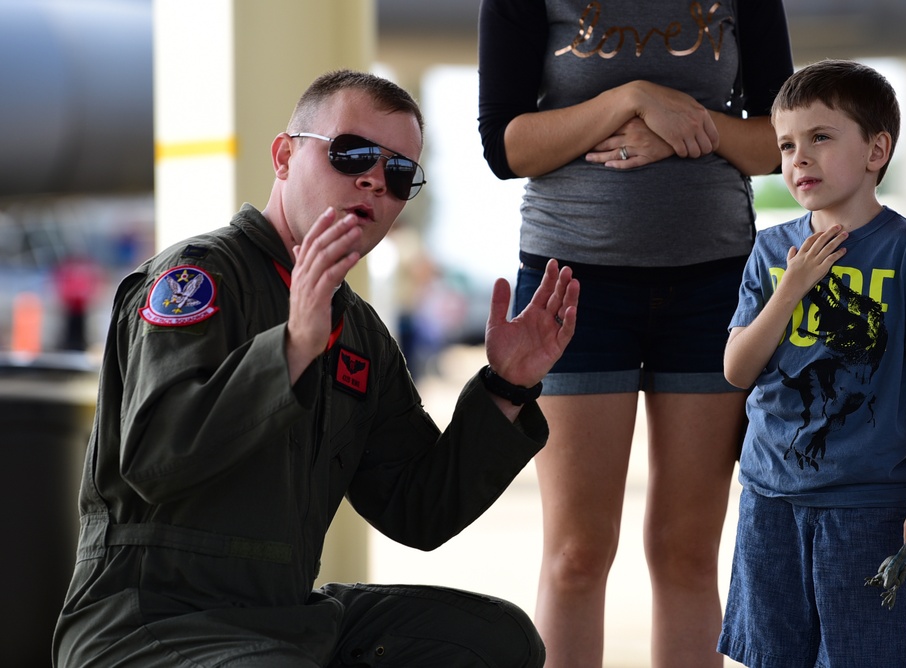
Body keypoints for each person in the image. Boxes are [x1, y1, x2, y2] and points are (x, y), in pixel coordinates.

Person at [52, 69, 580, 668]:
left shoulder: (358, 332)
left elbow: (417, 508)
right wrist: (292, 348)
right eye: (352, 153)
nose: (374, 180)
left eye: (400, 174)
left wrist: (506, 386)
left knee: (495, 640)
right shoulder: (196, 278)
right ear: (284, 157)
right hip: (148, 622)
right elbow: (155, 459)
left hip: (286, 619)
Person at [477, 1, 793, 665]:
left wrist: (683, 125)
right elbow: (506, 147)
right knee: (577, 553)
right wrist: (633, 99)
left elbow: (776, 142)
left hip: (714, 290)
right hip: (571, 285)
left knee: (687, 552)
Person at [718, 59, 906, 667]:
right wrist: (791, 287)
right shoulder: (773, 250)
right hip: (770, 495)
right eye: (787, 145)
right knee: (773, 654)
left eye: (821, 138)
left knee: (859, 655)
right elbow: (737, 369)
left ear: (877, 150)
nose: (800, 159)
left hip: (867, 502)